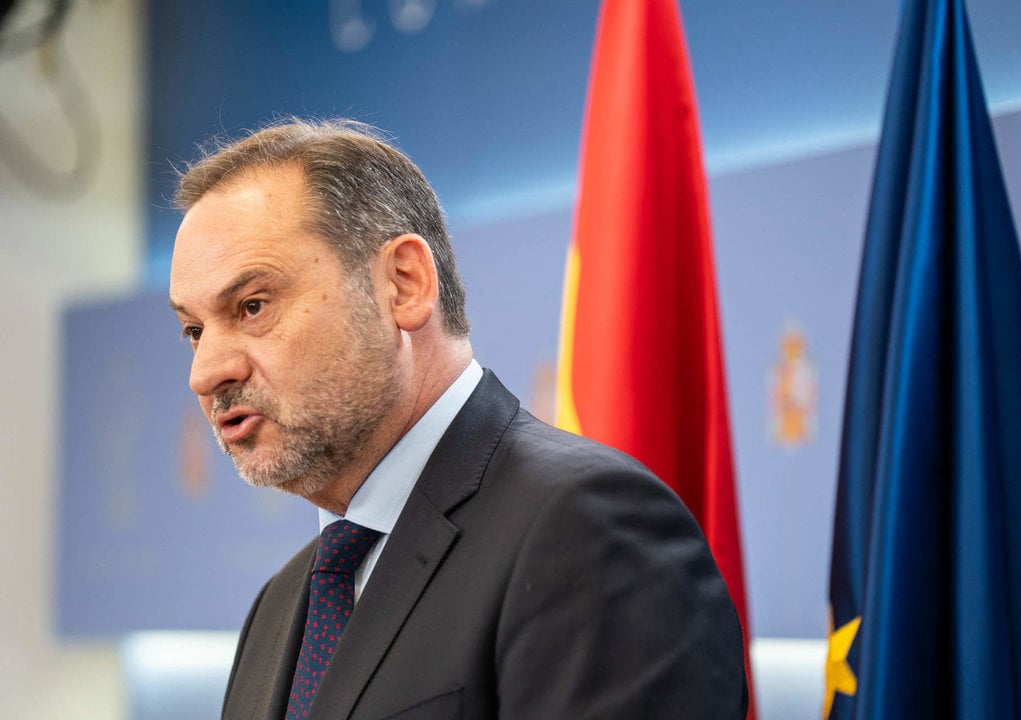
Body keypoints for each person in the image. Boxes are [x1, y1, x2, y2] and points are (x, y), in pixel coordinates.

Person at [168, 118, 748, 720]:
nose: (206, 372)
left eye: (252, 306)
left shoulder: (591, 531)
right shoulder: (281, 606)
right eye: (193, 330)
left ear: (404, 284)